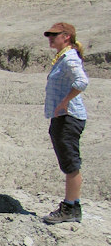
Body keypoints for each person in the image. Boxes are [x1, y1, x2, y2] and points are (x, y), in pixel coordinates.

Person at [41, 22, 89, 224]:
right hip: (62, 117)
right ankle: (72, 206)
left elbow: (82, 82)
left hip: (69, 118)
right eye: (49, 35)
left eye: (55, 35)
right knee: (68, 162)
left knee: (71, 164)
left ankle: (70, 207)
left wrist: (64, 102)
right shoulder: (62, 57)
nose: (51, 38)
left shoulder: (69, 58)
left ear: (67, 36)